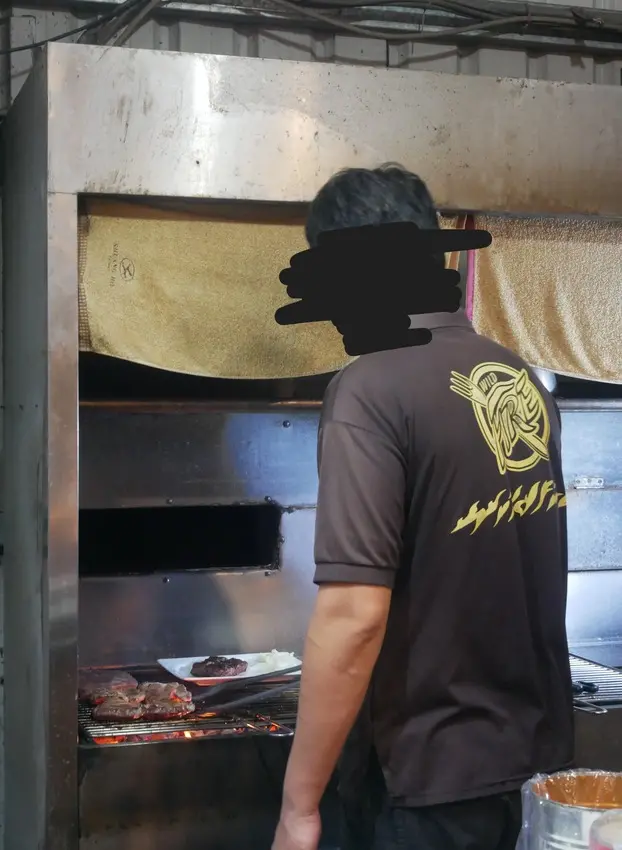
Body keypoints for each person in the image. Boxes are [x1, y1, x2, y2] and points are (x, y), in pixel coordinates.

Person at [271, 164, 574, 850]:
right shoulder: (517, 377)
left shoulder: (370, 387)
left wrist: (299, 807)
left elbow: (354, 615)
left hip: (428, 779)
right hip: (529, 770)